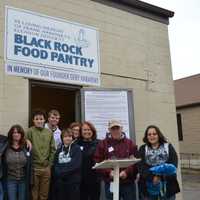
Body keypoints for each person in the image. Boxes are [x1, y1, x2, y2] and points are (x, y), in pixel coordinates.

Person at [94, 120, 138, 200]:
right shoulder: (103, 144)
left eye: (117, 128)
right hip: (111, 182)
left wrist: (126, 172)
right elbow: (98, 161)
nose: (115, 131)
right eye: (113, 129)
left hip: (128, 183)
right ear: (109, 130)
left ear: (121, 129)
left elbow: (135, 162)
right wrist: (109, 172)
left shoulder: (130, 143)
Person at [138, 125, 180, 200]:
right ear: (146, 137)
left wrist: (160, 176)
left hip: (168, 185)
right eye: (149, 134)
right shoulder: (142, 149)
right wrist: (152, 177)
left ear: (158, 135)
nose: (152, 136)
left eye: (154, 134)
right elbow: (141, 166)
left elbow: (173, 163)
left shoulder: (168, 146)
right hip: (148, 187)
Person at [26, 109, 56, 200]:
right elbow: (24, 143)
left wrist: (50, 164)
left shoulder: (49, 132)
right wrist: (26, 140)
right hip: (34, 167)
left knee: (44, 193)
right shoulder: (30, 131)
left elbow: (53, 149)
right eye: (37, 119)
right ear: (33, 120)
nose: (39, 121)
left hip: (46, 168)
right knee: (34, 193)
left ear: (44, 120)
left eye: (41, 119)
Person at [52, 128, 82, 200]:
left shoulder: (77, 149)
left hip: (73, 182)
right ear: (62, 138)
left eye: (69, 136)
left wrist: (62, 172)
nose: (67, 138)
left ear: (72, 138)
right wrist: (59, 173)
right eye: (65, 136)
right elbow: (56, 164)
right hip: (61, 182)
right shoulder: (59, 150)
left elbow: (75, 164)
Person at [4, 125, 32, 200]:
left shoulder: (26, 147)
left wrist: (26, 140)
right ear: (11, 134)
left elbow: (30, 164)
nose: (16, 134)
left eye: (18, 132)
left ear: (21, 134)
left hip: (23, 180)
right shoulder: (6, 146)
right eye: (14, 132)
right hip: (10, 180)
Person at [78, 121, 101, 200]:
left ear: (93, 131)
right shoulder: (76, 144)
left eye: (89, 130)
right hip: (81, 180)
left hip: (95, 179)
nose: (87, 132)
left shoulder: (99, 143)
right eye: (84, 130)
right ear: (81, 132)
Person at [0, 134, 8, 200]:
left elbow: (16, 140)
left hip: (4, 172)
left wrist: (27, 140)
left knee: (4, 193)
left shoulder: (4, 139)